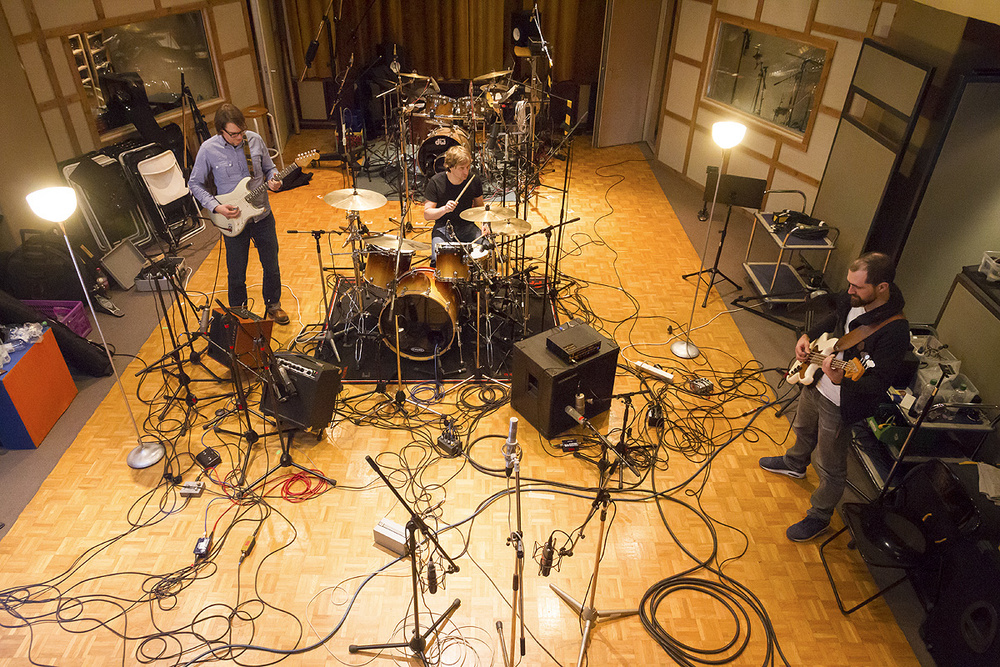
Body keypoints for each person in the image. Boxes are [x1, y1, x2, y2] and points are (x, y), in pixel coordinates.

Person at [759, 252, 909, 541]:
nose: (849, 291)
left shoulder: (895, 330)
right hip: (816, 381)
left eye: (857, 287)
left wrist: (842, 380)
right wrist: (807, 335)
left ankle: (820, 515)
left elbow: (878, 381)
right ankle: (794, 464)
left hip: (842, 403)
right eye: (849, 284)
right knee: (802, 428)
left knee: (830, 464)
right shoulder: (853, 298)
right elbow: (837, 318)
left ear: (882, 287)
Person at [188, 103, 289, 325]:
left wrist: (274, 179)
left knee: (271, 265)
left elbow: (269, 167)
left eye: (241, 132)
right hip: (231, 218)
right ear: (220, 131)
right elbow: (194, 184)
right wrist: (216, 207)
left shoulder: (254, 140)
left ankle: (273, 305)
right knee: (236, 273)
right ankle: (238, 312)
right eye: (233, 134)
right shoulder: (208, 149)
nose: (238, 137)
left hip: (262, 214)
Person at [423, 145, 484, 261]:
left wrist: (485, 224)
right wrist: (444, 209)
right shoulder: (436, 182)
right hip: (443, 227)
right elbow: (427, 214)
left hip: (467, 226)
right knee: (438, 259)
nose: (466, 172)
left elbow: (480, 207)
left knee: (487, 249)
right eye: (462, 168)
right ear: (450, 167)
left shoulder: (473, 180)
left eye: (468, 167)